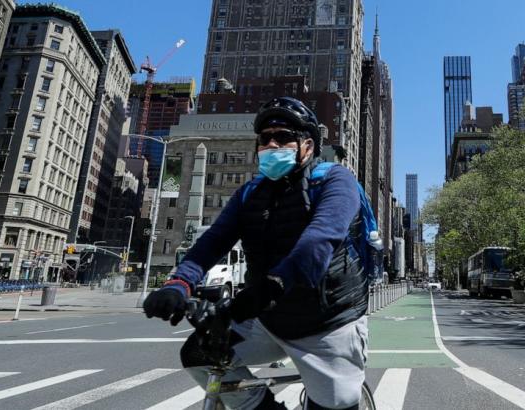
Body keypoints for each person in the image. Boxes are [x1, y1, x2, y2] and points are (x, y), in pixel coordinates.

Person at [143, 96, 369, 410]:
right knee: (199, 354)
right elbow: (212, 243)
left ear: (308, 144)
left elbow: (318, 242)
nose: (272, 143)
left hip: (328, 321)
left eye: (283, 137)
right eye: (265, 138)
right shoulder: (250, 193)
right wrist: (177, 285)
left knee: (337, 405)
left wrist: (267, 289)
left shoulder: (335, 180)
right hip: (268, 319)